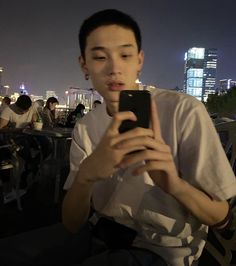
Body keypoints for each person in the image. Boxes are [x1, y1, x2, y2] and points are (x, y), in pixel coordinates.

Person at [0, 8, 235, 266]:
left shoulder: (183, 110)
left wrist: (174, 184)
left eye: (125, 55)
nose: (114, 68)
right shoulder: (87, 126)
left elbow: (221, 216)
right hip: (97, 231)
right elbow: (71, 222)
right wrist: (86, 175)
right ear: (84, 65)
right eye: (100, 57)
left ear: (139, 61)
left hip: (162, 250)